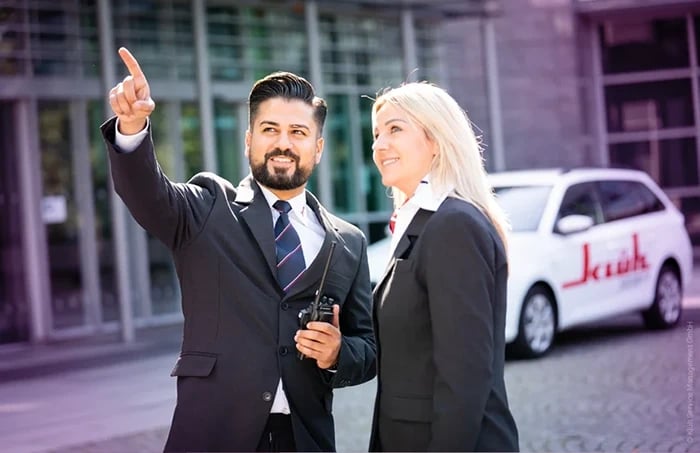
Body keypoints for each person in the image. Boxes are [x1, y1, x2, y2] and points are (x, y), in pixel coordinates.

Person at [101, 47, 376, 452]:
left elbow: (367, 349)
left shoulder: (348, 241)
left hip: (304, 440)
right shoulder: (207, 207)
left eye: (298, 133)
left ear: (317, 148)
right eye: (269, 129)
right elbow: (147, 194)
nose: (283, 143)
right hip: (214, 435)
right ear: (249, 140)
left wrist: (337, 352)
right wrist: (132, 126)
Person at [368, 82, 519, 452]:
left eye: (395, 129)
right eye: (375, 133)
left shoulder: (454, 225)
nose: (378, 145)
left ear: (436, 140)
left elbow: (465, 376)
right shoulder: (419, 223)